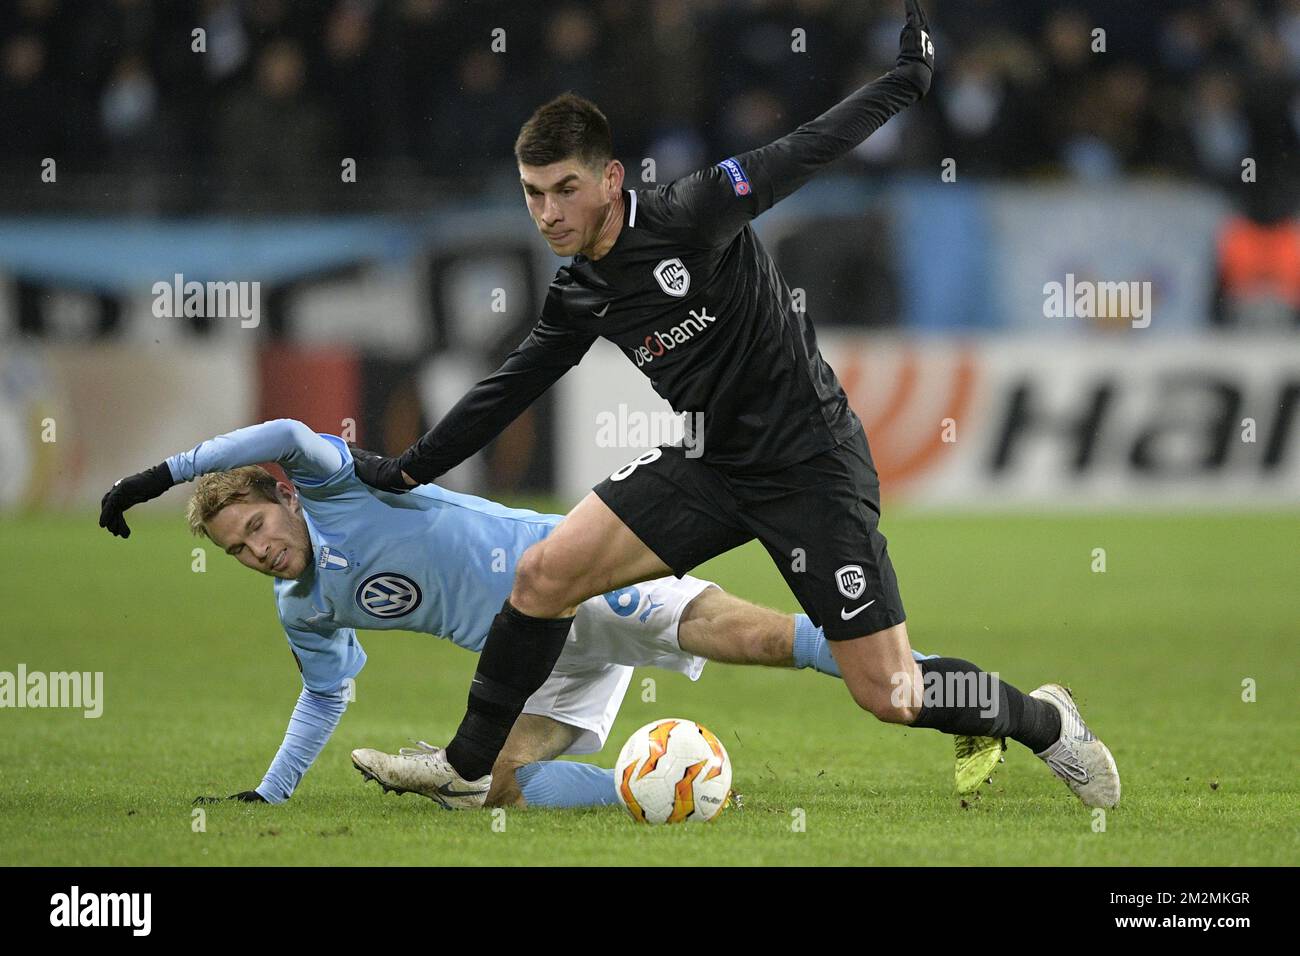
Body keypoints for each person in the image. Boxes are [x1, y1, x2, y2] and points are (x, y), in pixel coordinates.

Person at [349, 0, 1120, 809]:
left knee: (890, 692)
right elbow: (507, 388)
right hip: (711, 461)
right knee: (545, 574)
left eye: (563, 189)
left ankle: (1045, 722)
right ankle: (467, 771)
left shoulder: (694, 210)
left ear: (611, 179)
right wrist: (407, 471)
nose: (547, 213)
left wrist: (905, 82)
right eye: (533, 194)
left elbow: (806, 148)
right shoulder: (580, 293)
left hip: (809, 464)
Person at [97, 418, 938, 809]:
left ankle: (947, 693)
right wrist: (271, 795)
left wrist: (161, 472)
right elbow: (325, 697)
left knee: (758, 637)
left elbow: (282, 428)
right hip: (532, 660)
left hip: (575, 574)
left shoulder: (334, 485)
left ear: (279, 497)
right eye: (238, 553)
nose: (258, 551)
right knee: (485, 788)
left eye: (255, 527)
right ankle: (677, 795)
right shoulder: (305, 606)